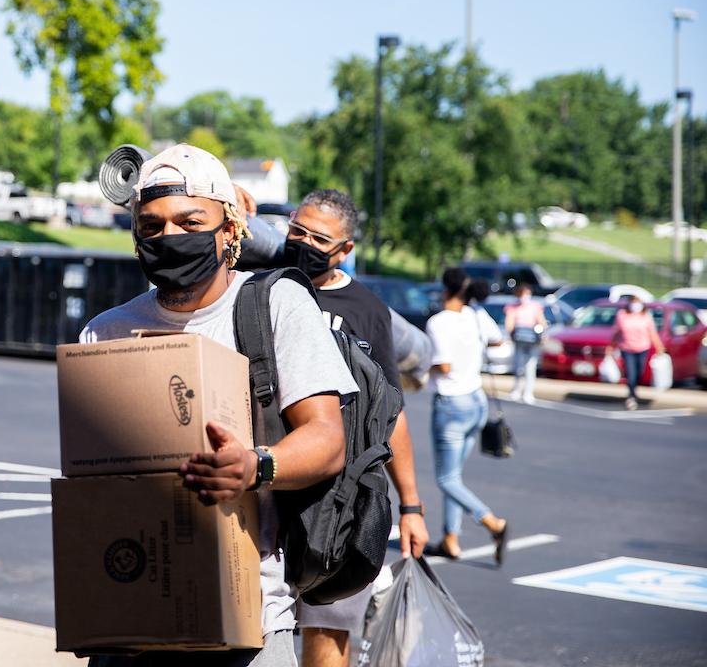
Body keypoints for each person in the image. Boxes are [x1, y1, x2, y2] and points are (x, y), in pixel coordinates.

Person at [80, 143, 357, 666]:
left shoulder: (277, 305)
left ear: (230, 230)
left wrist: (255, 466)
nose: (170, 237)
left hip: (248, 623)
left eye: (190, 222)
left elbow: (326, 439)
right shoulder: (104, 332)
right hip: (132, 619)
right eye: (152, 226)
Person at [281, 189, 430, 667]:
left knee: (327, 633)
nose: (304, 243)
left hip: (337, 499)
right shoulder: (262, 286)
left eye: (318, 239)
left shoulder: (366, 310)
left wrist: (411, 506)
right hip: (266, 481)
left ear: (345, 249)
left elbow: (391, 413)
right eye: (297, 230)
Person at [424, 267, 509, 564]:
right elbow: (497, 340)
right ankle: (451, 539)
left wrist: (418, 364)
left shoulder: (438, 322)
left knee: (446, 479)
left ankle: (493, 523)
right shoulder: (475, 315)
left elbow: (443, 366)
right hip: (476, 400)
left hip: (452, 403)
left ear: (445, 289)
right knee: (455, 476)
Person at [605, 295, 665, 411]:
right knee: (631, 373)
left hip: (642, 348)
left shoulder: (646, 316)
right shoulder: (622, 315)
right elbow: (617, 332)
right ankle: (631, 396)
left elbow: (652, 333)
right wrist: (611, 346)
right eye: (634, 302)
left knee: (639, 372)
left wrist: (659, 347)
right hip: (627, 348)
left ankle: (634, 390)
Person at [505, 283, 546, 404]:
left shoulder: (535, 306)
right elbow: (509, 324)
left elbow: (542, 322)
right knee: (518, 366)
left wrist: (541, 334)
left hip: (532, 340)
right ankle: (516, 390)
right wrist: (511, 334)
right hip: (519, 340)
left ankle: (528, 392)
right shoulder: (513, 307)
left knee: (531, 367)